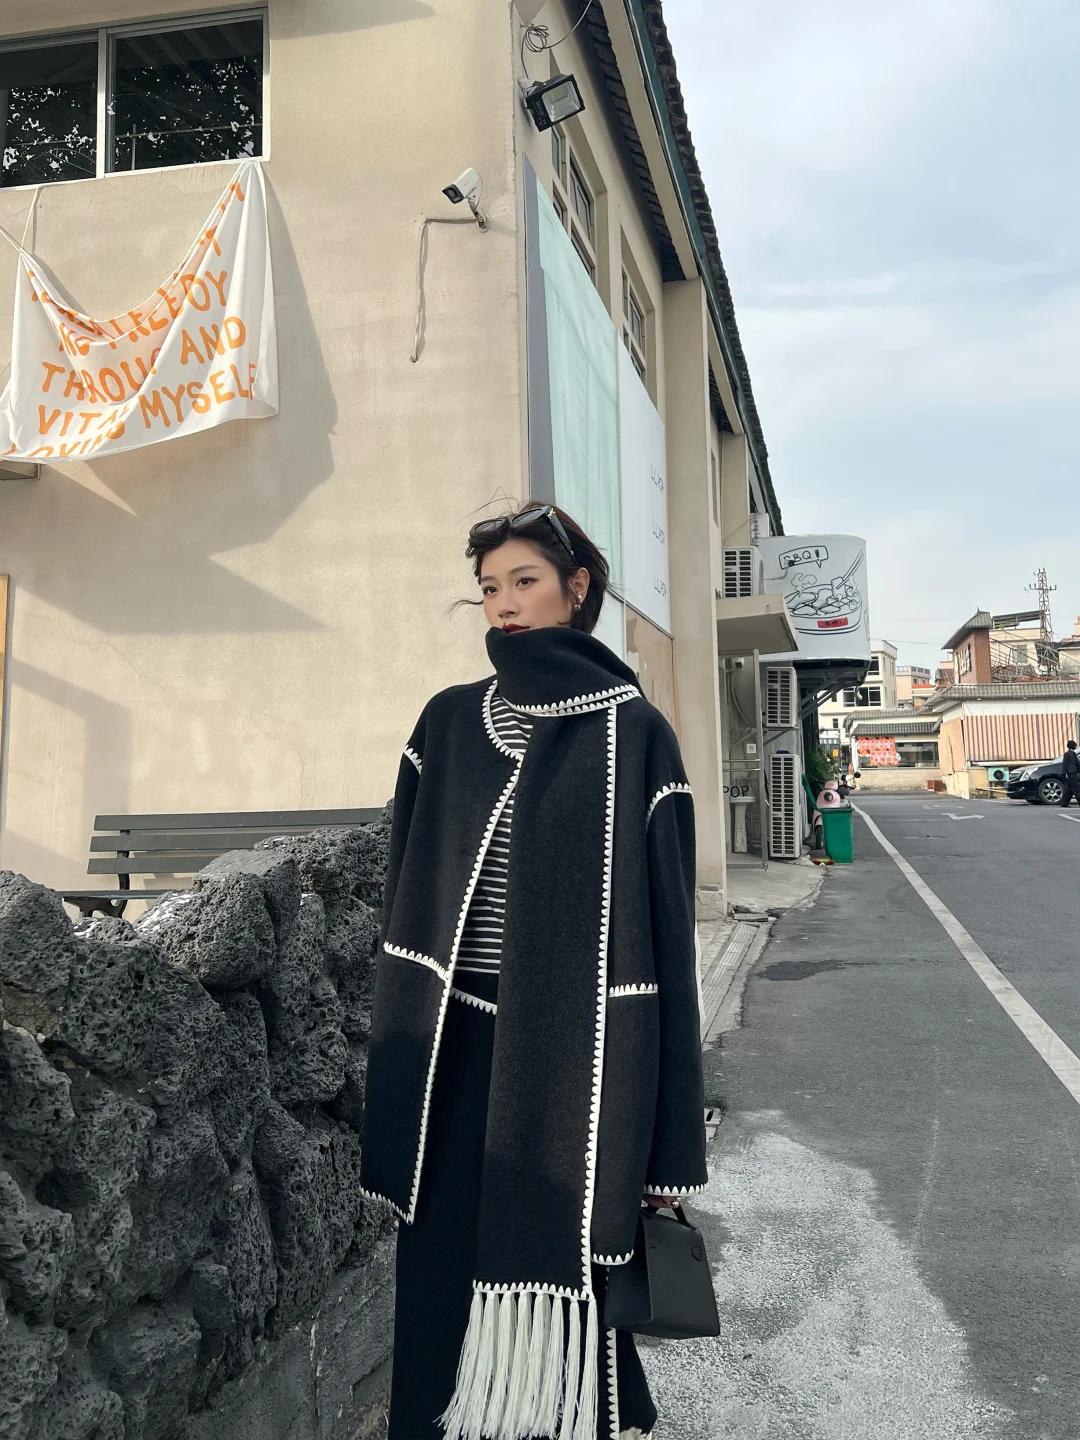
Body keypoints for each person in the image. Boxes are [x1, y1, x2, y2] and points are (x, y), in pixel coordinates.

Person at [361, 503, 707, 1440]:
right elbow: (403, 890)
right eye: (488, 588)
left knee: (569, 1274)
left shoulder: (635, 735)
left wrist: (668, 1147)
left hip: (578, 1066)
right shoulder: (448, 724)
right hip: (452, 1050)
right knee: (438, 1269)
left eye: (524, 581)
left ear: (575, 588)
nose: (504, 604)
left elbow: (670, 945)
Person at [1061, 739, 1079, 807]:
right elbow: (1064, 764)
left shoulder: (1073, 753)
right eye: (1075, 745)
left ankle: (1064, 803)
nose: (1076, 746)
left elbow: (1077, 763)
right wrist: (1064, 773)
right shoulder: (1067, 754)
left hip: (1073, 773)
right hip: (1070, 773)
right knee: (1075, 789)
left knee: (1069, 790)